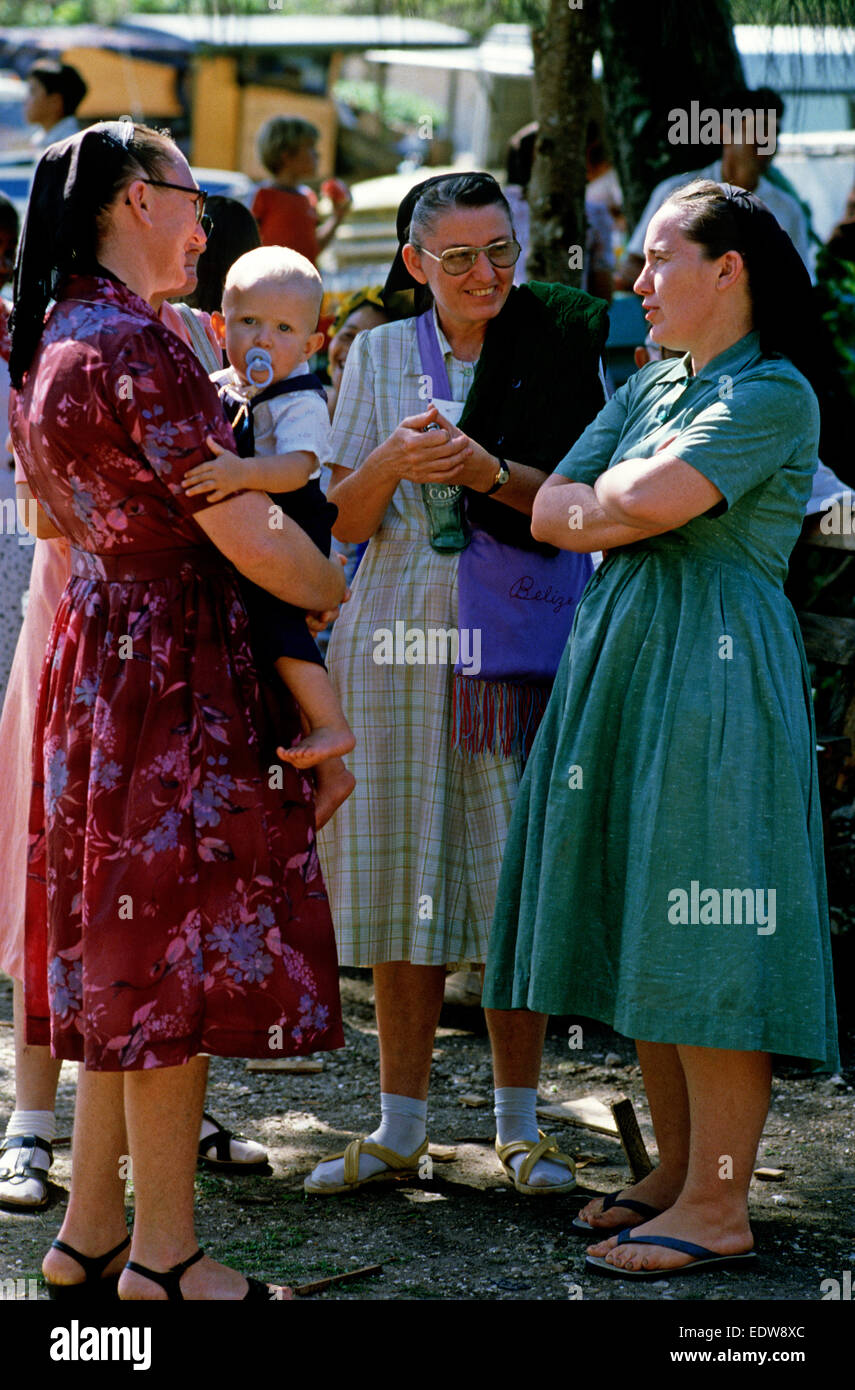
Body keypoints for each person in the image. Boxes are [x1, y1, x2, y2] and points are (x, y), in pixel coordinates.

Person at [9, 120, 346, 1299]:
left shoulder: (50, 334)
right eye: (192, 196)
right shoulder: (141, 349)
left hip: (99, 654)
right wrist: (328, 568)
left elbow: (56, 529)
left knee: (120, 955)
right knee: (174, 964)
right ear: (131, 200)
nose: (207, 222)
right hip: (174, 670)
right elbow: (282, 561)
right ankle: (168, 1258)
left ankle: (89, 1234)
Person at [483, 179, 839, 1279]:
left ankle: (721, 1207)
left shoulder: (774, 391)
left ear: (727, 269)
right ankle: (677, 1175)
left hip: (714, 672)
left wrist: (612, 502)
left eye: (657, 260)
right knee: (647, 904)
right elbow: (551, 506)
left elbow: (651, 500)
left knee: (708, 919)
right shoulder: (655, 384)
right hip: (629, 655)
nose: (636, 284)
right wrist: (613, 502)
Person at [304, 171, 608, 1196]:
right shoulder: (382, 353)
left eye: (501, 252)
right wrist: (391, 457)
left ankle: (519, 1128)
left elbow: (587, 500)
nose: (486, 274)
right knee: (404, 874)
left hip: (519, 635)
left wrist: (483, 469)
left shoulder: (559, 338)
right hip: (393, 634)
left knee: (511, 875)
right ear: (413, 265)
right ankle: (401, 1126)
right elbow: (341, 520)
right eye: (460, 257)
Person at [182, 245, 356, 824]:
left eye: (284, 329)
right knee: (259, 629)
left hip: (293, 520)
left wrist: (240, 474)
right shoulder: (222, 383)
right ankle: (326, 766)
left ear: (311, 344)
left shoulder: (301, 396)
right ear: (218, 326)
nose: (264, 340)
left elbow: (299, 467)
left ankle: (331, 725)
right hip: (254, 525)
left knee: (279, 620)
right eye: (248, 322)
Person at [617, 89, 811, 286]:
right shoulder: (675, 194)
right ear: (724, 132)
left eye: (774, 133)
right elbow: (635, 265)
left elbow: (800, 285)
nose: (767, 141)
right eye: (760, 129)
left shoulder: (787, 209)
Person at [251, 115, 351, 265]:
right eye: (310, 147)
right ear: (287, 155)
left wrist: (338, 216)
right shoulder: (263, 196)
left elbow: (313, 248)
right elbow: (248, 246)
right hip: (272, 284)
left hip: (303, 285)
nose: (317, 154)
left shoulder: (308, 197)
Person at [24, 60, 87, 150]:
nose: (25, 100)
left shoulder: (71, 146)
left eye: (32, 91)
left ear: (55, 101)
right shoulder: (40, 139)